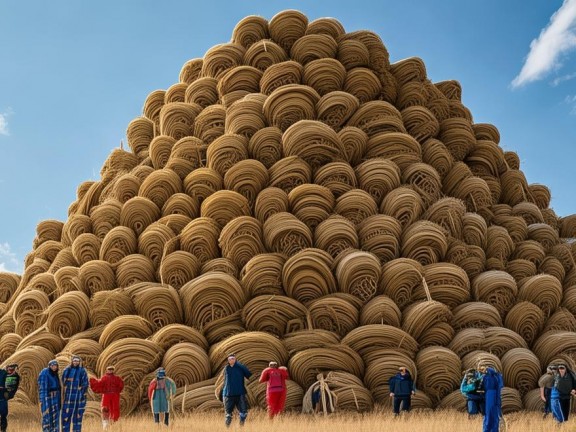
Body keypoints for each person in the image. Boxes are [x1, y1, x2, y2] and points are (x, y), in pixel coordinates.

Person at [221, 354, 252, 427]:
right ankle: (227, 429)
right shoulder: (226, 368)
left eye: (233, 359)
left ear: (235, 359)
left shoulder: (240, 367)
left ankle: (241, 427)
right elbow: (225, 380)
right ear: (228, 360)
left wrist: (239, 364)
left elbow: (248, 374)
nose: (232, 360)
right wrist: (223, 393)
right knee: (228, 414)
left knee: (243, 413)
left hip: (240, 393)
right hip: (228, 394)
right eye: (230, 359)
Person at [61, 355, 89, 432]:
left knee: (78, 415)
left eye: (77, 361)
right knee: (66, 415)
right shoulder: (67, 370)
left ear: (79, 362)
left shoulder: (82, 371)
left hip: (78, 397)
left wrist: (82, 390)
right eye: (74, 361)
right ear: (72, 361)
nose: (75, 362)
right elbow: (63, 381)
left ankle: (76, 430)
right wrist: (69, 380)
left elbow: (86, 383)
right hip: (68, 396)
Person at [38, 360, 61, 432]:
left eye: (55, 366)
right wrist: (43, 400)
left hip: (56, 397)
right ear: (49, 366)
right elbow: (42, 388)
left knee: (56, 417)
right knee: (47, 416)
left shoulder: (55, 374)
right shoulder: (45, 373)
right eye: (52, 366)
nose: (54, 367)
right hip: (48, 397)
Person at [478, 365, 503, 432]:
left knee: (487, 419)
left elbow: (480, 388)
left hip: (488, 397)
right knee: (494, 419)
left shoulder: (484, 377)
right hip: (494, 398)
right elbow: (499, 388)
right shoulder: (497, 377)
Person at [0, 364, 20, 432]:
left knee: (3, 415)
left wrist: (9, 394)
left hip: (2, 398)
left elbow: (13, 382)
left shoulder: (4, 373)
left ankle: (3, 430)